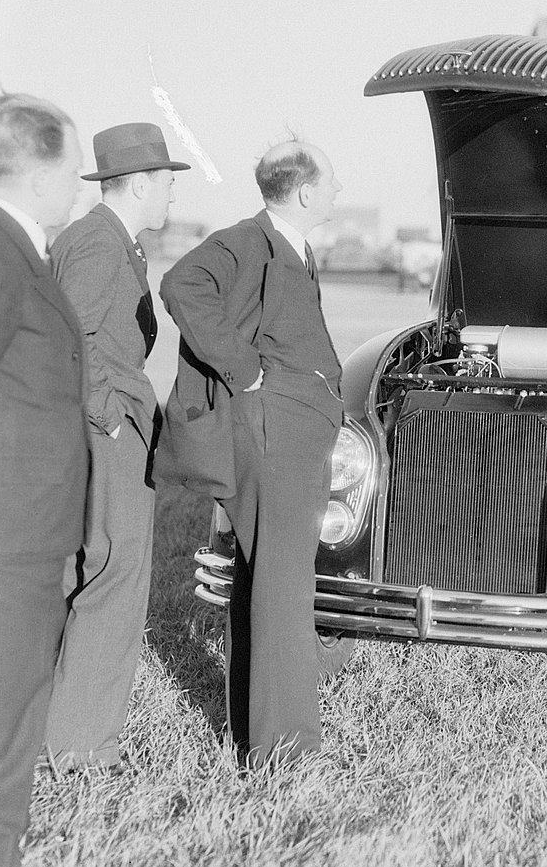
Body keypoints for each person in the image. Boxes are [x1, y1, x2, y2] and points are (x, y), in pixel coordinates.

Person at [160, 140, 344, 766]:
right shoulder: (249, 239)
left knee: (266, 584)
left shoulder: (294, 248)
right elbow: (182, 282)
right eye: (332, 180)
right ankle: (285, 753)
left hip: (291, 440)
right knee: (284, 591)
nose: (339, 190)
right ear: (306, 191)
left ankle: (257, 738)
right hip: (273, 441)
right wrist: (243, 369)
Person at [43, 123, 189, 772]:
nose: (171, 196)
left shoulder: (105, 239)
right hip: (109, 430)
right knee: (115, 575)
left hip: (99, 428)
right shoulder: (102, 244)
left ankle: (55, 730)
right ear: (136, 185)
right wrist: (105, 416)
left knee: (82, 572)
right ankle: (80, 746)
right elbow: (67, 336)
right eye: (165, 182)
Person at [0, 94, 89, 867]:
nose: (80, 182)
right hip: (6, 535)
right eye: (72, 165)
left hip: (26, 532)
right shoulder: (1, 251)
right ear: (37, 173)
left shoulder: (21, 247)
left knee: (16, 713)